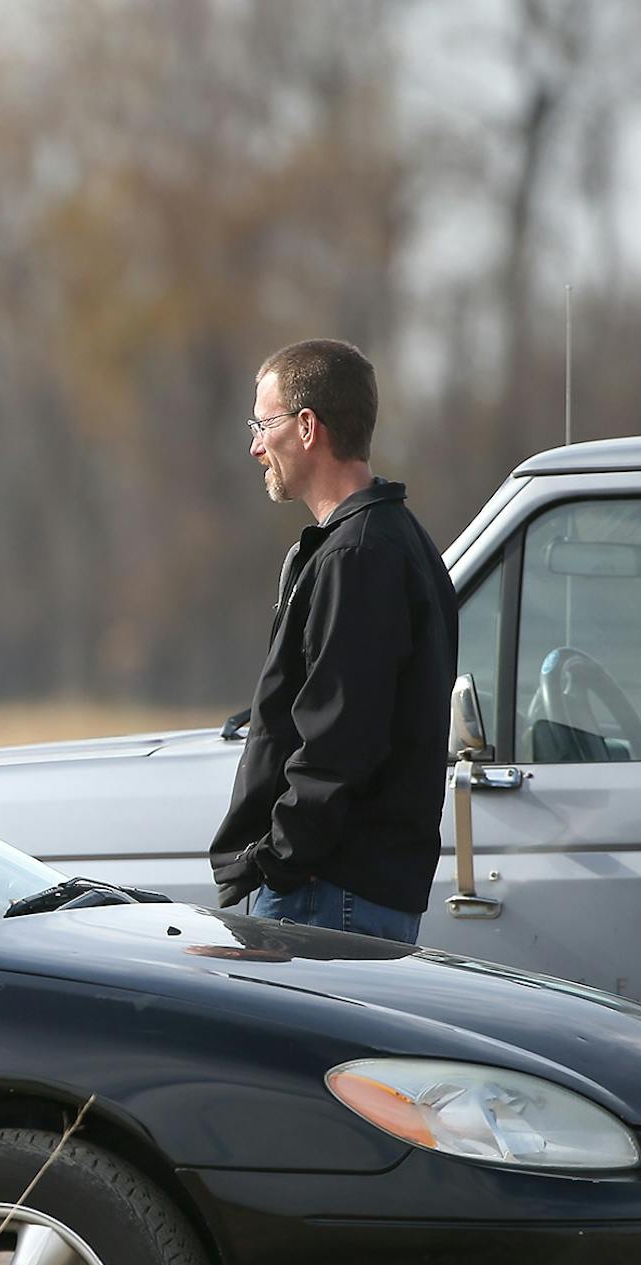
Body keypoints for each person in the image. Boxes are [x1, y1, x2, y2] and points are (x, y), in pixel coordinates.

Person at [209, 340, 459, 943]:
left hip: (326, 892)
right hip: (337, 888)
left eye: (262, 425)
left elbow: (340, 741)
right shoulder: (380, 543)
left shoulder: (360, 557)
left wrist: (275, 865)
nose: (254, 446)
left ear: (306, 427)